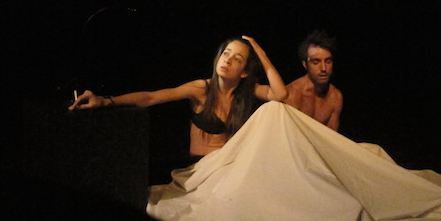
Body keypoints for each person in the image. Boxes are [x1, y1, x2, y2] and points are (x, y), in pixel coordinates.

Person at [69, 36, 288, 159]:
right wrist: (106, 101)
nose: (228, 60)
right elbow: (151, 98)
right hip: (200, 166)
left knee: (276, 109)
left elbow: (280, 94)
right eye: (225, 53)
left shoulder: (247, 91)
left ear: (245, 72)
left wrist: (260, 52)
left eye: (237, 58)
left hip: (228, 164)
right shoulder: (201, 89)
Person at [285, 30, 343, 131]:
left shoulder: (335, 97)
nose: (323, 68)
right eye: (316, 62)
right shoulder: (292, 93)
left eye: (328, 61)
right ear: (305, 64)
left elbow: (331, 137)